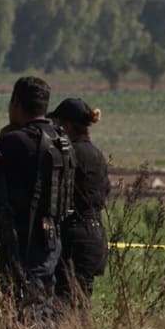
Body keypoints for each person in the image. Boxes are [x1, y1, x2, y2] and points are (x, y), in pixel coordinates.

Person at [0, 76, 73, 324]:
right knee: (44, 303)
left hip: (22, 240)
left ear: (16, 104)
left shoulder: (14, 141)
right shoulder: (62, 140)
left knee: (24, 308)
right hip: (52, 238)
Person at [50, 97, 111, 308]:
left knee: (65, 305)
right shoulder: (97, 155)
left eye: (57, 124)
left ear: (67, 126)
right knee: (80, 301)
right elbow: (105, 192)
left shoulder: (68, 154)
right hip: (95, 236)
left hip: (73, 238)